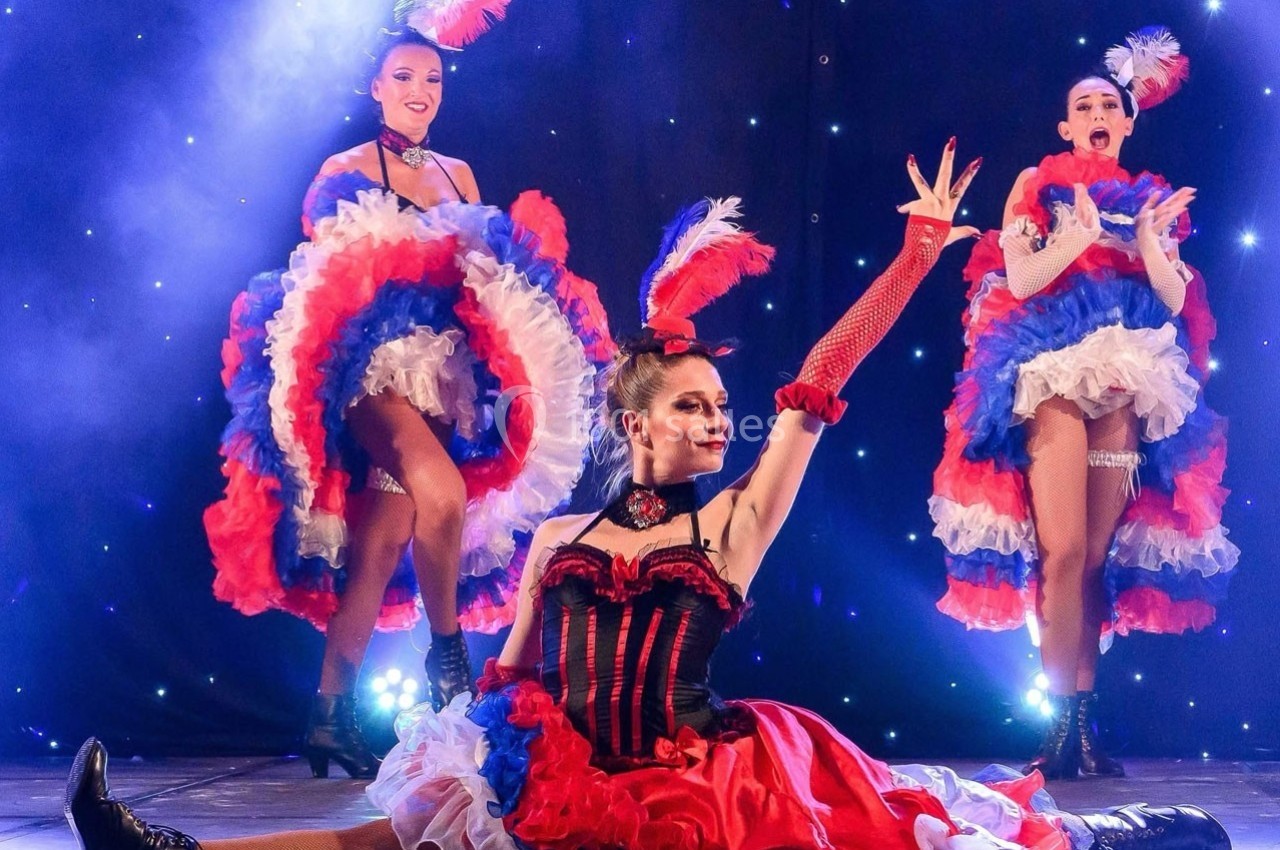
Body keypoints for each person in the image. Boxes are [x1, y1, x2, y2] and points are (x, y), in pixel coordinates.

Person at [69, 142, 1229, 850]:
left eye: (719, 408)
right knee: (394, 835)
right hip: (564, 776)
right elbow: (509, 681)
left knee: (914, 825)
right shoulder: (559, 538)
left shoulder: (732, 525)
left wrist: (915, 259)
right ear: (633, 422)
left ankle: (1115, 835)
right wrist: (478, 753)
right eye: (691, 406)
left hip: (704, 789)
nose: (715, 422)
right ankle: (161, 849)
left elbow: (817, 380)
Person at [203, 10, 614, 778]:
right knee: (444, 494)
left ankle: (328, 718)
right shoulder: (345, 168)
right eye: (403, 77)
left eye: (432, 79)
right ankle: (448, 658)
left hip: (441, 378)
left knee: (381, 545)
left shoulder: (460, 175)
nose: (420, 91)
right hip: (371, 376)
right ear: (376, 87)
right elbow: (332, 279)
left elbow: (484, 274)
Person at [928, 28, 1237, 778]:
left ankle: (1081, 728)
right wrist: (1079, 236)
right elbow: (1022, 280)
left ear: (1126, 122)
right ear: (1066, 126)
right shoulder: (1035, 185)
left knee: (1095, 559)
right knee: (1061, 551)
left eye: (1108, 104)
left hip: (1124, 377)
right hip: (1051, 372)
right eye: (1084, 106)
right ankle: (1055, 727)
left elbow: (1174, 301)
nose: (1097, 113)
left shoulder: (1151, 199)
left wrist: (1153, 244)